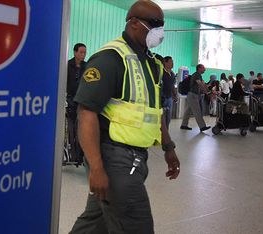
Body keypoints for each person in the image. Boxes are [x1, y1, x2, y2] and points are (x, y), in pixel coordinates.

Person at [70, 1, 180, 233]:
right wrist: (97, 167)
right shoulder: (110, 58)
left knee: (94, 224)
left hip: (137, 158)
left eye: (161, 25)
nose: (159, 31)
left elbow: (155, 111)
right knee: (136, 225)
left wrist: (168, 147)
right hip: (115, 160)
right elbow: (86, 114)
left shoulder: (152, 64)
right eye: (154, 25)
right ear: (134, 24)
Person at [66, 43, 87, 163]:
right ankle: (72, 155)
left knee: (82, 129)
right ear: (75, 53)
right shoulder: (68, 65)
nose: (83, 55)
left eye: (85, 52)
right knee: (71, 128)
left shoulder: (87, 66)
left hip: (82, 100)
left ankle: (80, 156)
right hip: (70, 100)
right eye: (81, 52)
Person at [180, 64, 211, 132]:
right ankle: (202, 126)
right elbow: (200, 84)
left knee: (188, 111)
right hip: (193, 95)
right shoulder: (196, 75)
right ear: (199, 68)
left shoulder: (199, 75)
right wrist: (206, 92)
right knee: (197, 111)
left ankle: (184, 125)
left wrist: (209, 91)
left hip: (191, 95)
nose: (205, 69)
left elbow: (204, 84)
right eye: (203, 68)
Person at [161, 56, 178, 128]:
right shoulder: (161, 72)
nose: (172, 63)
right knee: (162, 117)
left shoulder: (173, 74)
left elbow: (172, 86)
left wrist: (175, 95)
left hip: (170, 98)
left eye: (172, 62)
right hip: (162, 98)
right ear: (165, 62)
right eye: (171, 62)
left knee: (168, 117)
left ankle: (166, 131)